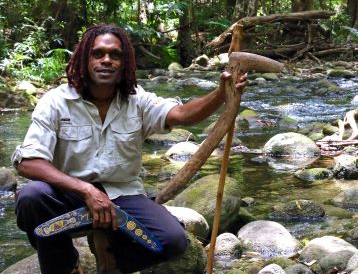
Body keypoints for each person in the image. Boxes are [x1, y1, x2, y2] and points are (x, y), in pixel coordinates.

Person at [11, 24, 246, 274]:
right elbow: (28, 161)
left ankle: (110, 259)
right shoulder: (56, 101)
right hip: (68, 194)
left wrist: (221, 92)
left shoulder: (137, 100)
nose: (106, 60)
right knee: (31, 199)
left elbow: (183, 114)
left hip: (123, 196)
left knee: (172, 241)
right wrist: (86, 190)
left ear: (124, 63)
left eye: (115, 55)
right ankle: (66, 265)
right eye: (98, 53)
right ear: (84, 59)